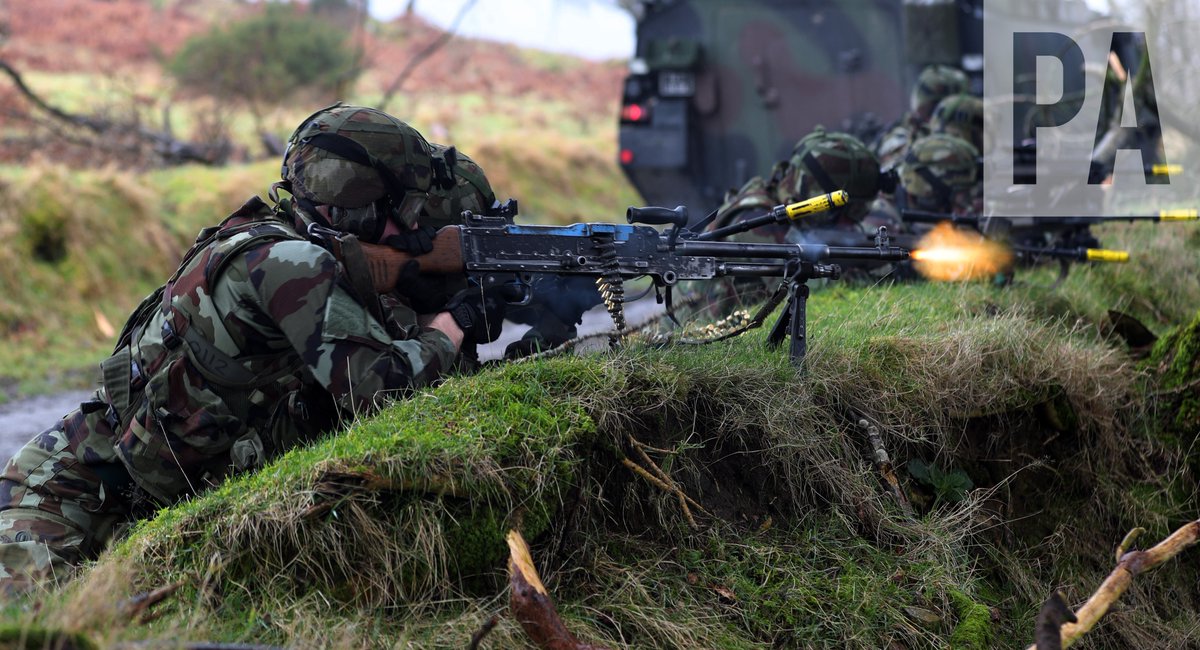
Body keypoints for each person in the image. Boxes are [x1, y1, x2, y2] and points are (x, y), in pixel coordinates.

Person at [0, 103, 513, 593]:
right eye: (408, 209)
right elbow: (379, 388)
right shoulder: (290, 262)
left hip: (151, 503)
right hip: (72, 487)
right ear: (361, 207)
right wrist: (450, 326)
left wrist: (425, 312)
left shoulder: (282, 238)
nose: (414, 229)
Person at [874, 64, 970, 170]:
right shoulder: (903, 133)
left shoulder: (967, 130)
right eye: (936, 105)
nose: (946, 113)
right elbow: (895, 168)